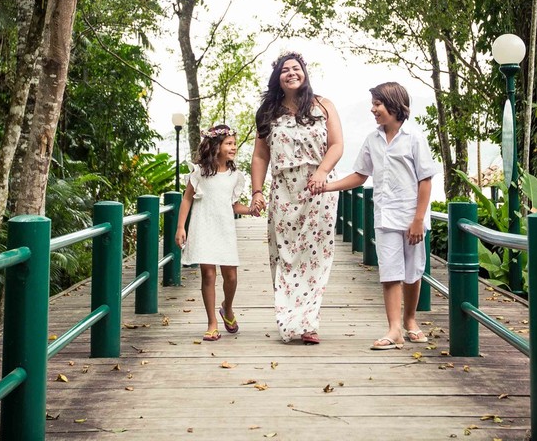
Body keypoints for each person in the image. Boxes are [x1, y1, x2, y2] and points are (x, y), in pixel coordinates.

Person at [314, 82, 438, 350]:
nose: (373, 109)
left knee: (413, 272)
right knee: (390, 272)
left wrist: (418, 218)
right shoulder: (373, 140)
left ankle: (410, 320)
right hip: (384, 216)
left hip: (411, 216)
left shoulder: (414, 138)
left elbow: (425, 180)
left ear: (394, 105)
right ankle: (394, 330)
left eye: (377, 104)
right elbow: (360, 175)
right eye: (373, 104)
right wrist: (327, 186)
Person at [249, 52, 344, 344]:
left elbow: (337, 144)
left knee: (315, 257)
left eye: (296, 68)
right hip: (283, 190)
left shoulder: (323, 106)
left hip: (318, 189)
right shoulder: (268, 111)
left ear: (305, 72)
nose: (292, 73)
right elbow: (260, 155)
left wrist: (322, 173)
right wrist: (256, 191)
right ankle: (289, 317)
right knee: (286, 256)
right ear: (277, 77)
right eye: (285, 70)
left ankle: (308, 322)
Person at [175, 124, 255, 341]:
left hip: (225, 229)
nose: (233, 148)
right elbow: (187, 198)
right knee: (208, 274)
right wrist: (181, 227)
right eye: (229, 143)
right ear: (216, 146)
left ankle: (227, 308)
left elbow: (234, 205)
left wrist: (250, 210)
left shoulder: (234, 175)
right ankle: (212, 322)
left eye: (234, 144)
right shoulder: (199, 172)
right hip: (203, 227)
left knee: (231, 276)